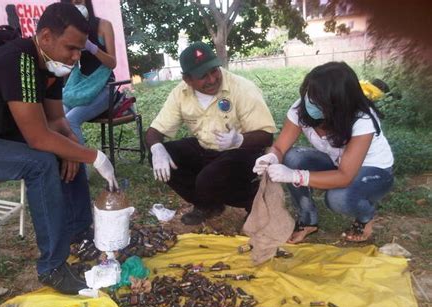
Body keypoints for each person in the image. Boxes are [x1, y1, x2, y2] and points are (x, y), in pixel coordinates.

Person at [0, 3, 117, 294]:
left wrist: (72, 146)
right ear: (45, 37)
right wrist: (95, 156)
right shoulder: (17, 60)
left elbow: (56, 120)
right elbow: (38, 139)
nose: (76, 57)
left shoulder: (51, 67)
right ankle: (53, 268)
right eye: (71, 48)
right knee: (41, 162)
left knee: (69, 146)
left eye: (80, 50)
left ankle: (79, 232)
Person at [253, 61, 394, 243]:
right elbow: (280, 147)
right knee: (292, 157)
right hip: (338, 162)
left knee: (338, 198)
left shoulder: (362, 119)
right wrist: (271, 157)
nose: (310, 102)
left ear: (339, 103)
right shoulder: (301, 108)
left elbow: (344, 176)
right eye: (308, 94)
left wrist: (296, 176)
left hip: (375, 171)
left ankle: (366, 216)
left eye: (318, 99)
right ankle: (308, 219)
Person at [145, 42, 276, 225]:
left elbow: (267, 135)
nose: (212, 79)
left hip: (244, 152)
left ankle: (253, 202)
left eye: (214, 70)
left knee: (208, 179)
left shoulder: (242, 88)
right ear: (187, 79)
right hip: (205, 148)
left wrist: (239, 140)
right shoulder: (180, 94)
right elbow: (154, 131)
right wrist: (157, 148)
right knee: (160, 155)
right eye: (203, 76)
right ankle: (207, 205)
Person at [60, 0, 116, 147]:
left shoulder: (104, 25)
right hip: (80, 86)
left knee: (71, 120)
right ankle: (62, 163)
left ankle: (80, 167)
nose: (76, 1)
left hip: (104, 87)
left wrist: (92, 48)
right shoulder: (68, 30)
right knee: (57, 119)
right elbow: (67, 65)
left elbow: (112, 63)